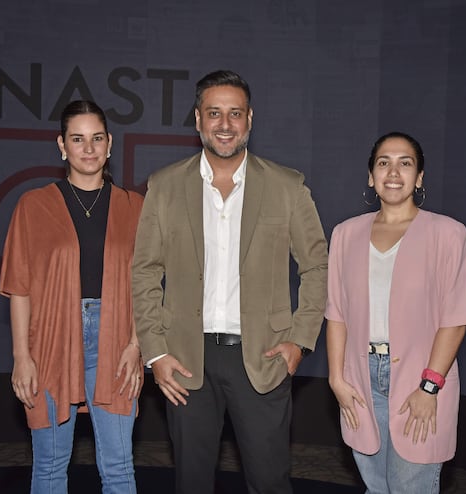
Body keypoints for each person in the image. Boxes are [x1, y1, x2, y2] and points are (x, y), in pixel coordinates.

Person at [131, 70, 328, 494]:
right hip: (185, 360)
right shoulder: (164, 186)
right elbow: (145, 270)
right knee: (191, 483)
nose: (225, 124)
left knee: (270, 482)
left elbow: (317, 266)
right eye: (214, 113)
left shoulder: (288, 186)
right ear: (197, 119)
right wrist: (155, 351)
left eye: (235, 113)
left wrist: (299, 341)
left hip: (263, 359)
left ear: (250, 119)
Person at [0, 100, 144, 494]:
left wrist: (136, 345)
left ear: (110, 143)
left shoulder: (135, 208)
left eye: (97, 138)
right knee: (48, 467)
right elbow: (19, 288)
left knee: (119, 466)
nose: (89, 148)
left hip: (116, 343)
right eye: (78, 139)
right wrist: (21, 357)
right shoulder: (33, 206)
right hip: (49, 342)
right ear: (62, 145)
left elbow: (148, 287)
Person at [325, 132, 466, 493]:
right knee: (376, 487)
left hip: (421, 380)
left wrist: (429, 387)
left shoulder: (449, 234)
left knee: (411, 485)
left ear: (419, 177)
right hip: (360, 380)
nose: (393, 172)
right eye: (384, 163)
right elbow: (336, 314)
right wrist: (336, 379)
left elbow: (455, 320)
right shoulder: (345, 234)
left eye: (405, 163)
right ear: (370, 176)